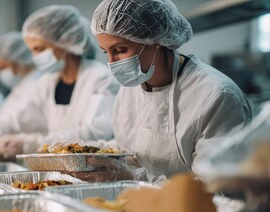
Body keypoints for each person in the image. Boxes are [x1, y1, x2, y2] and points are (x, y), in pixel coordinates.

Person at [84, 0, 252, 180]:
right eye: (105, 52)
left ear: (155, 40)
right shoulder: (130, 89)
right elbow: (127, 150)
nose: (112, 63)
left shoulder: (216, 95)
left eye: (120, 50)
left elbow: (215, 187)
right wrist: (85, 153)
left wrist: (130, 176)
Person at [0, 5, 119, 163]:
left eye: (39, 49)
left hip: (94, 171)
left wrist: (33, 143)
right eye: (32, 51)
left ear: (65, 41)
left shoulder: (100, 78)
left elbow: (97, 133)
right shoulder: (47, 82)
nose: (35, 57)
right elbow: (17, 116)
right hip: (58, 170)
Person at [0, 31, 41, 115]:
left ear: (17, 60)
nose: (2, 73)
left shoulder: (37, 85)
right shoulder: (20, 86)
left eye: (3, 67)